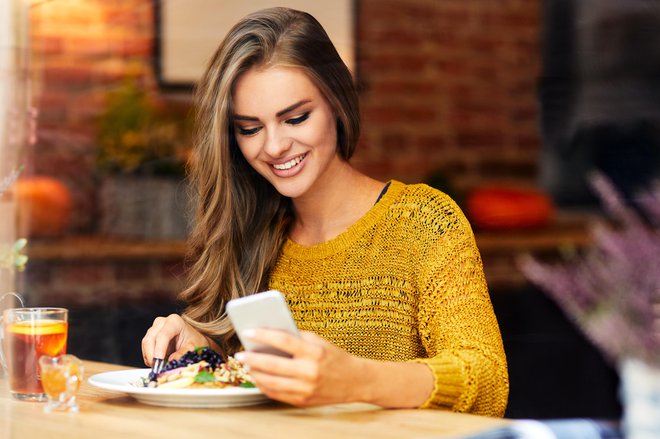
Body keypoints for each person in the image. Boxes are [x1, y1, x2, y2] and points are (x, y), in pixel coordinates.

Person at [141, 7, 509, 416]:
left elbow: (487, 379)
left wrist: (355, 380)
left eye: (296, 118)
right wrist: (204, 351)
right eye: (250, 128)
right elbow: (261, 394)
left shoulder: (422, 221)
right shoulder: (252, 232)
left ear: (335, 103)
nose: (275, 146)